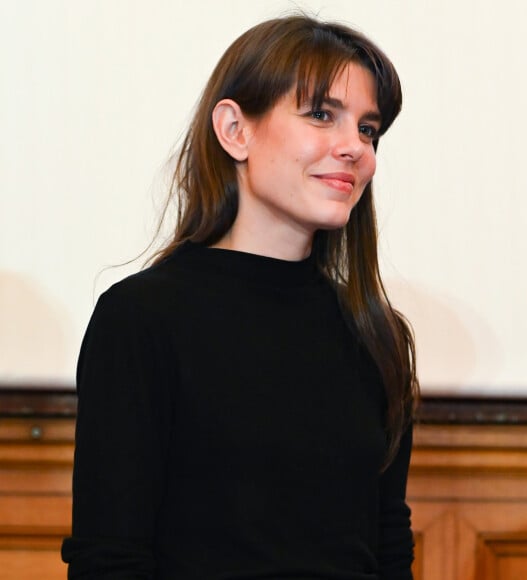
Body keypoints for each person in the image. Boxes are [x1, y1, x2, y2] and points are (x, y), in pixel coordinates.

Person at [61, 13, 419, 580]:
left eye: (368, 129)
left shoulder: (378, 333)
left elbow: (388, 549)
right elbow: (110, 557)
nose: (355, 148)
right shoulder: (143, 318)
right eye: (322, 115)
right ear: (235, 129)